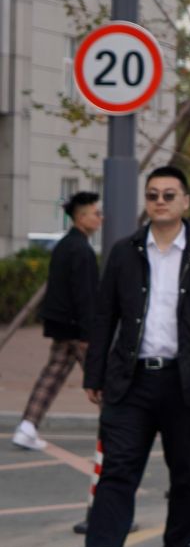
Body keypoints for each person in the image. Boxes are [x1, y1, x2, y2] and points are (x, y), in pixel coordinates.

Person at [65, 169, 190, 547]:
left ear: (185, 202)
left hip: (185, 379)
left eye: (168, 194)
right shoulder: (125, 252)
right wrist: (94, 374)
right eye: (153, 194)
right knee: (118, 465)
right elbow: (104, 316)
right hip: (132, 379)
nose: (160, 201)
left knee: (187, 471)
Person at [13, 190, 101, 452]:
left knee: (51, 376)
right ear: (81, 217)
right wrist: (88, 333)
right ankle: (120, 431)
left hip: (61, 325)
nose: (100, 218)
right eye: (96, 213)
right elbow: (84, 295)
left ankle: (27, 427)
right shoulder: (82, 250)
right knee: (102, 378)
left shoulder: (64, 245)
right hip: (78, 329)